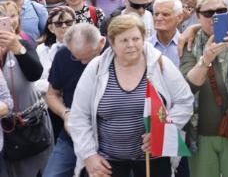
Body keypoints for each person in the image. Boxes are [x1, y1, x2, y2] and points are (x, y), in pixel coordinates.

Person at [69, 14, 194, 177]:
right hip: (107, 162)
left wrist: (164, 130)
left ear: (143, 39)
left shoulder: (160, 64)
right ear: (112, 43)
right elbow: (79, 116)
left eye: (136, 39)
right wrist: (89, 155)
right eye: (124, 40)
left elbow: (184, 102)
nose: (131, 45)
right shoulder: (97, 68)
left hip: (154, 159)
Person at [179, 0, 228, 177]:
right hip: (200, 133)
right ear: (198, 15)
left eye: (221, 12)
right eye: (209, 13)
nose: (215, 17)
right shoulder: (190, 41)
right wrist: (205, 60)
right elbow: (189, 87)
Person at [42, 22, 106, 177]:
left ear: (101, 43)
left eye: (88, 57)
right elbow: (52, 94)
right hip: (73, 133)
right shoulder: (63, 55)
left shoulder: (115, 55)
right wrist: (65, 114)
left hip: (107, 136)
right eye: (77, 58)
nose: (84, 63)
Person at [0, 0, 51, 176]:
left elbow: (35, 73)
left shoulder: (25, 43)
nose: (9, 22)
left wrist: (17, 49)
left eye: (12, 16)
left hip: (28, 122)